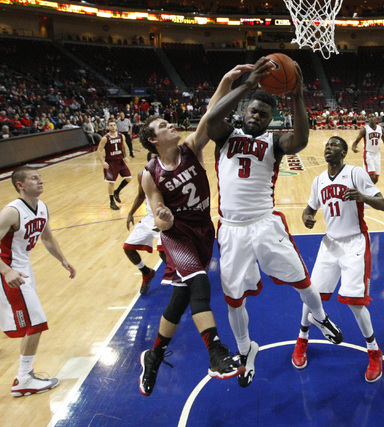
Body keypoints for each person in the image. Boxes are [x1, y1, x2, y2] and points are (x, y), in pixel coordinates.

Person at [206, 57, 343, 389]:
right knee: (234, 299)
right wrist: (247, 86)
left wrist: (297, 95)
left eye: (264, 114)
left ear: (271, 120)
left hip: (265, 224)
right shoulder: (225, 135)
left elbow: (301, 140)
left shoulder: (274, 142)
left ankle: (321, 318)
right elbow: (211, 119)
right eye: (253, 111)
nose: (257, 116)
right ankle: (245, 350)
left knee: (303, 281)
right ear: (244, 111)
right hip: (231, 230)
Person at [136, 64, 254, 397]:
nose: (170, 125)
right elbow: (159, 218)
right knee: (201, 284)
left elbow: (210, 114)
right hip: (177, 236)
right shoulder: (150, 173)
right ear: (153, 140)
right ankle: (215, 352)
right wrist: (163, 218)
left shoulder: (190, 147)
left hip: (203, 231)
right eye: (162, 126)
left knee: (181, 299)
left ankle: (154, 356)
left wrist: (226, 80)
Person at [0, 166, 76, 396]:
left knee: (24, 313)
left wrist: (63, 259)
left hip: (23, 270)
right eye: (34, 178)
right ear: (20, 185)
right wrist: (6, 271)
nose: (41, 181)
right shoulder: (12, 212)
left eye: (40, 177)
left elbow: (47, 237)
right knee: (36, 322)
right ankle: (23, 379)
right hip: (7, 272)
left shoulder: (42, 207)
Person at [294, 136, 384, 383]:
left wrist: (362, 197)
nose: (329, 147)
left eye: (334, 145)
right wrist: (306, 217)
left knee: (355, 303)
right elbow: (310, 208)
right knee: (311, 295)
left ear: (344, 152)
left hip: (355, 243)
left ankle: (374, 352)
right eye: (327, 145)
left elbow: (383, 204)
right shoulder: (318, 180)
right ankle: (302, 339)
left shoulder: (356, 173)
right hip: (330, 243)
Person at [123, 154, 172, 295]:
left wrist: (163, 221)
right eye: (152, 159)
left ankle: (180, 276)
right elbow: (140, 195)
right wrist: (131, 213)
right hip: (149, 219)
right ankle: (146, 272)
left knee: (162, 252)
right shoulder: (142, 175)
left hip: (164, 217)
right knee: (128, 248)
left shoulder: (169, 175)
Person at [97, 120, 132, 210]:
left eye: (114, 125)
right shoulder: (105, 138)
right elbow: (99, 150)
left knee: (128, 178)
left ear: (116, 126)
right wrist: (102, 162)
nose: (113, 127)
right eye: (111, 125)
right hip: (111, 163)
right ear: (108, 127)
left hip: (120, 161)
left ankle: (117, 191)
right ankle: (111, 202)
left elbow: (125, 147)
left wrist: (127, 156)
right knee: (111, 182)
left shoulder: (121, 136)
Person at [351, 113, 384, 184]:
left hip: (377, 154)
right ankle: (366, 188)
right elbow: (356, 141)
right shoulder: (364, 129)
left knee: (376, 178)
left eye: (373, 116)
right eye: (369, 117)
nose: (371, 118)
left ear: (376, 118)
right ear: (367, 119)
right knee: (372, 176)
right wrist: (353, 147)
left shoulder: (381, 129)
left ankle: (367, 187)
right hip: (368, 154)